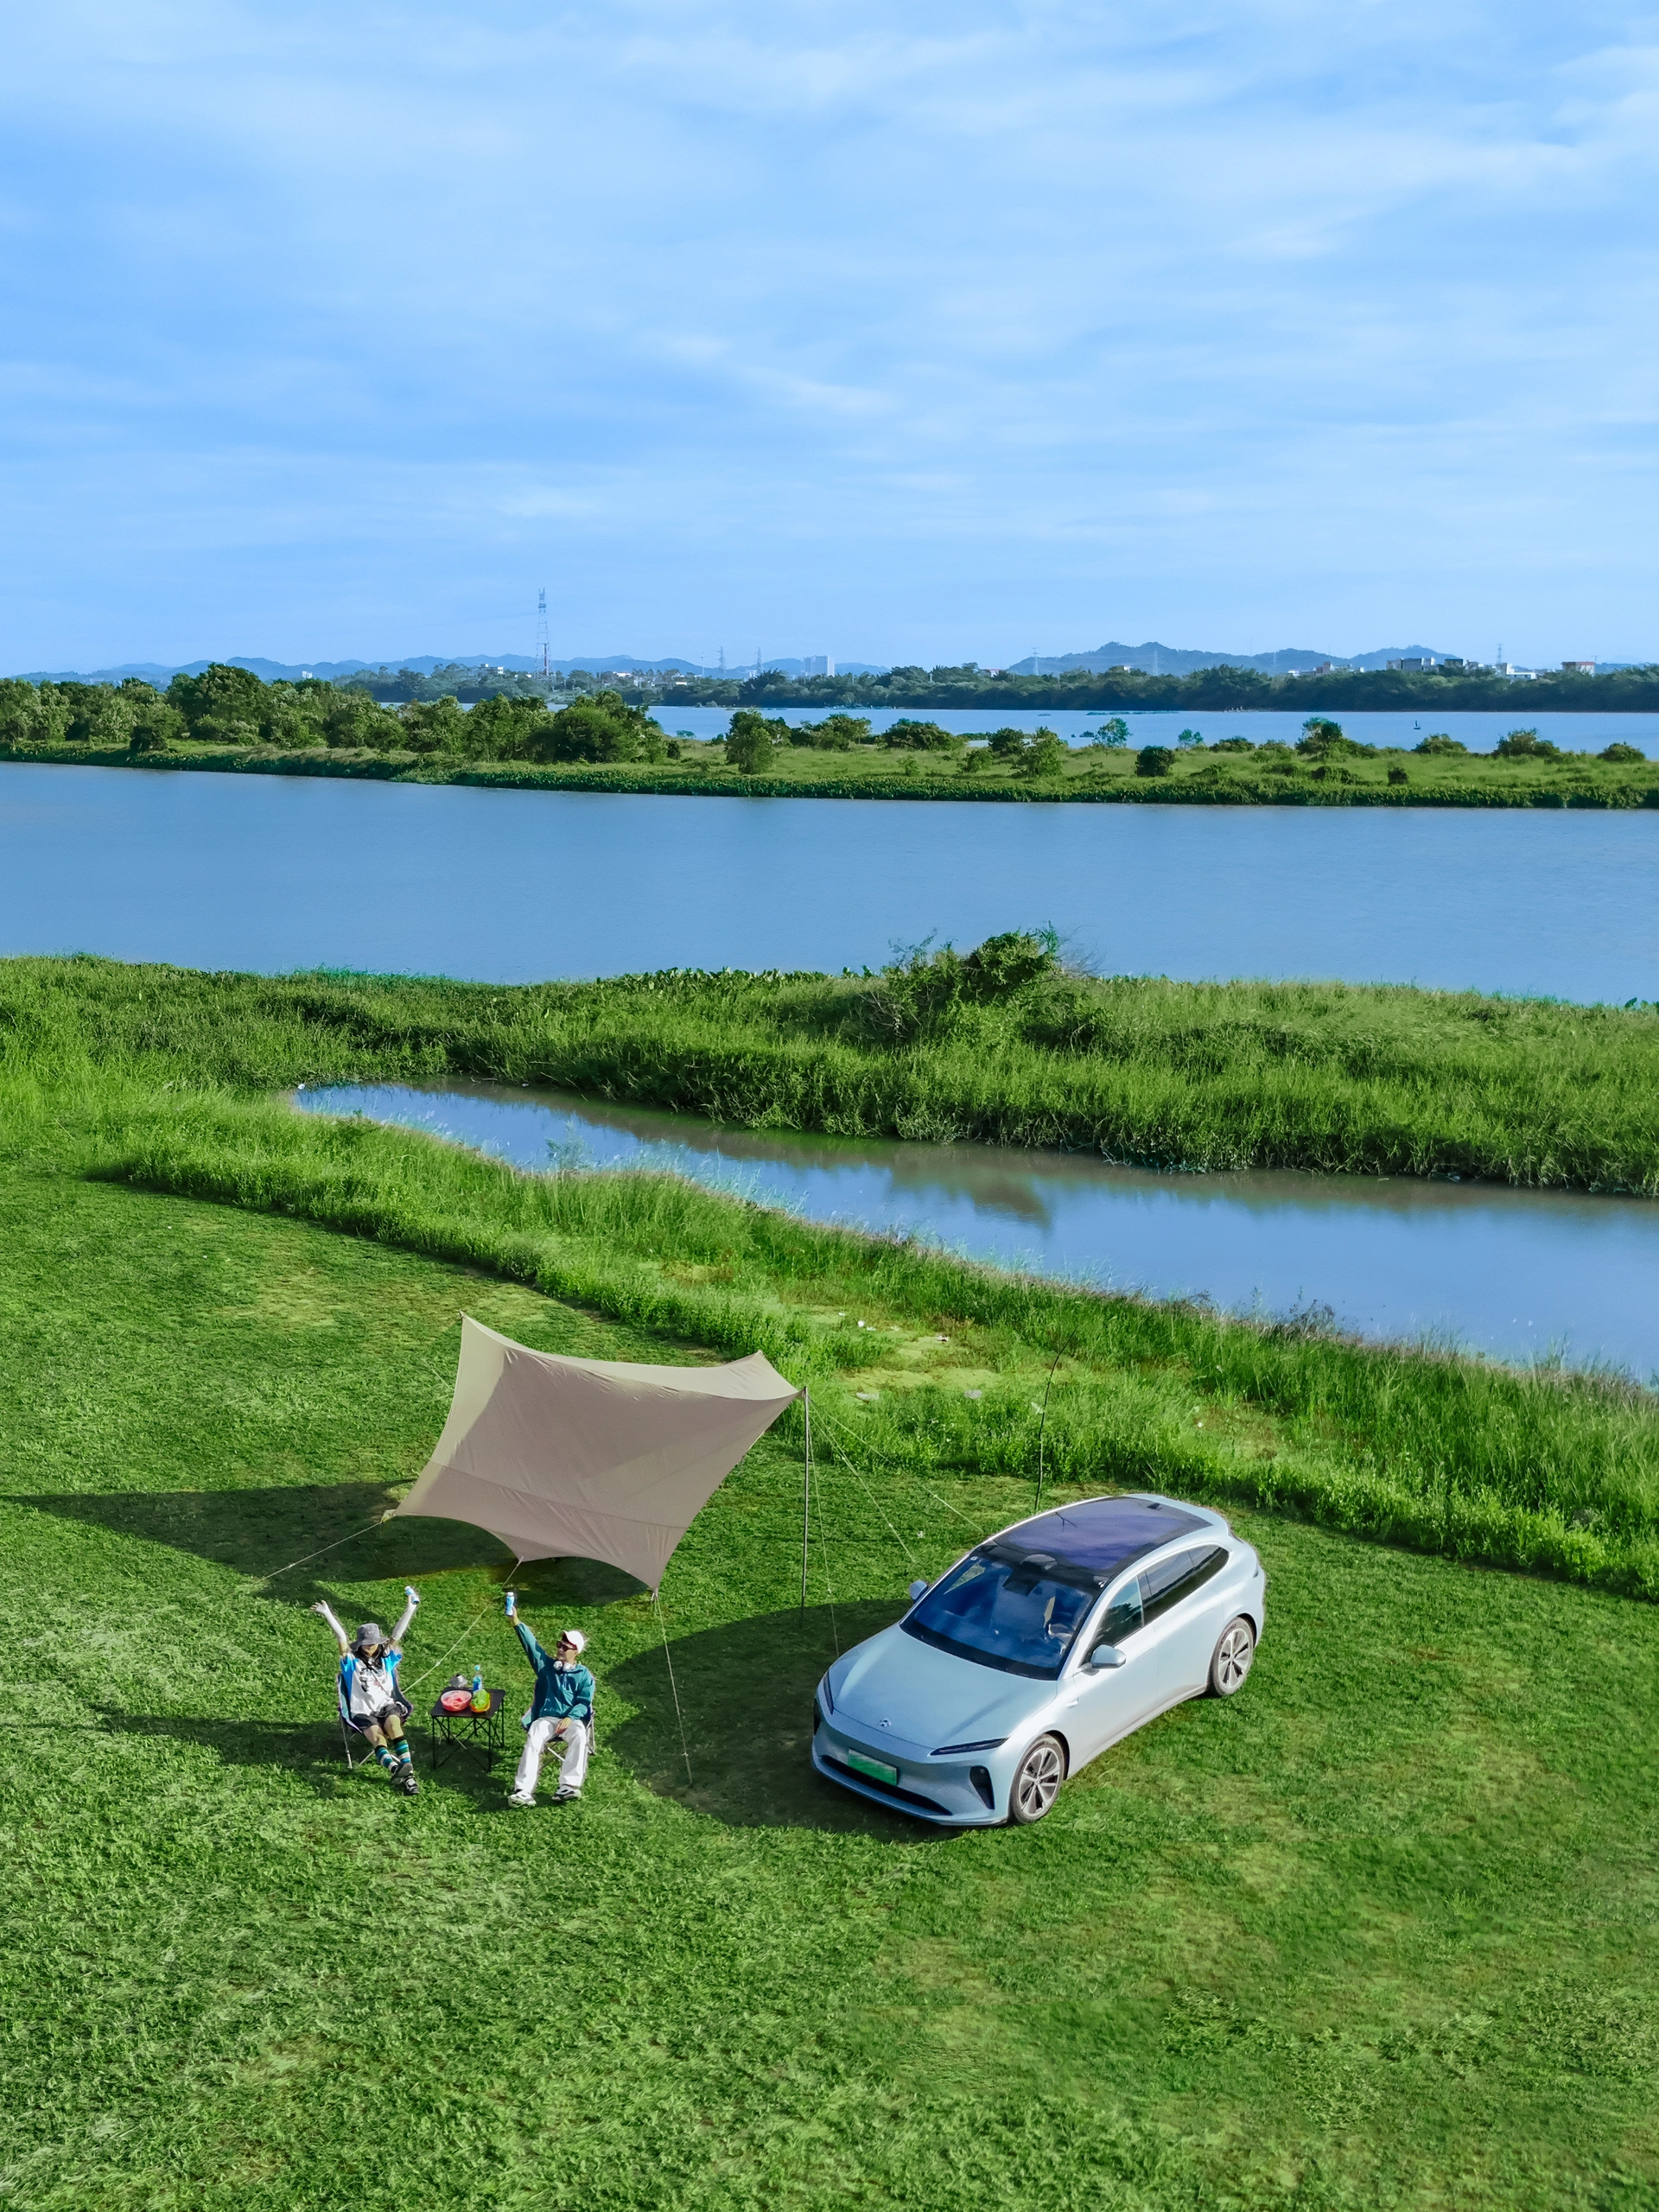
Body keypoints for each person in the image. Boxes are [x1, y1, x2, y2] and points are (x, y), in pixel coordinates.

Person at [314, 1586, 422, 1796]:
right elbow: (342, 1640)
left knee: (394, 1727)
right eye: (365, 1644)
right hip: (362, 1710)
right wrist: (328, 1614)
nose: (369, 1647)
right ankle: (400, 1771)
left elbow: (397, 1634)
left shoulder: (386, 1657)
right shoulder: (351, 1662)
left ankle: (407, 1776)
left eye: (372, 1643)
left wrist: (410, 1609)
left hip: (385, 1705)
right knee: (378, 1739)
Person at [504, 1591, 594, 1808]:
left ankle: (568, 1786)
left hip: (569, 1722)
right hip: (546, 1719)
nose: (560, 1649)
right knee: (535, 1735)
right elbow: (531, 1646)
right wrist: (516, 1621)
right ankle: (523, 1791)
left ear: (576, 1652)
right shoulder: (546, 1667)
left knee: (580, 1735)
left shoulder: (584, 1676)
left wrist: (571, 1718)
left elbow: (584, 1702)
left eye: (566, 1646)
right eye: (559, 1644)